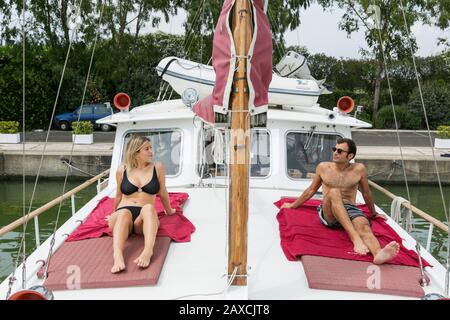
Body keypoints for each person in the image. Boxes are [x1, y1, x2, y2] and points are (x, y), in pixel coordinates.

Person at [281, 138, 400, 265]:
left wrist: (374, 213)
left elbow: (366, 193)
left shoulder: (359, 169)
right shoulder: (323, 167)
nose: (335, 152)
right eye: (334, 149)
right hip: (329, 211)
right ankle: (356, 239)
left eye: (339, 151)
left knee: (364, 226)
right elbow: (311, 190)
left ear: (350, 156)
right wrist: (293, 205)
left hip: (349, 208)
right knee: (334, 192)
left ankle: (378, 254)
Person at [106, 135, 176, 273]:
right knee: (124, 213)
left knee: (149, 208)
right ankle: (118, 255)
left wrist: (169, 211)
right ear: (136, 152)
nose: (151, 151)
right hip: (122, 214)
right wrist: (112, 213)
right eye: (147, 149)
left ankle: (148, 251)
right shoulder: (122, 170)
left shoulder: (158, 167)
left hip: (141, 220)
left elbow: (162, 192)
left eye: (151, 148)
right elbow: (119, 195)